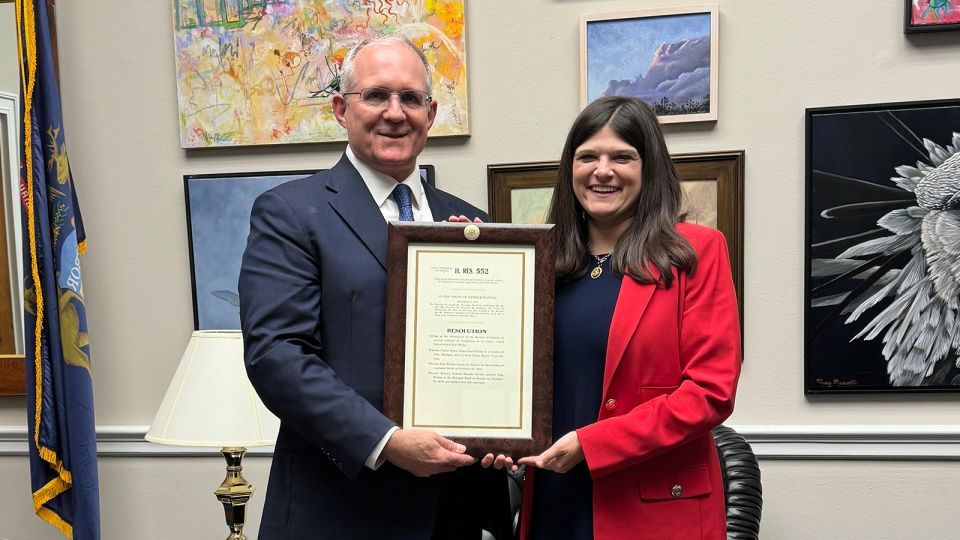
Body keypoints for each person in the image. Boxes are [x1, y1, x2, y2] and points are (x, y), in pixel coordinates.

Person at [239, 34, 511, 540]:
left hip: (455, 509)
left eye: (411, 98)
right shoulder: (292, 213)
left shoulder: (471, 221)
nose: (395, 112)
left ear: (430, 115)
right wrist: (385, 441)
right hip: (342, 509)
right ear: (342, 109)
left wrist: (503, 428)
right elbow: (276, 355)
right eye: (376, 95)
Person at [517, 96, 742, 540]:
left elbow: (710, 392)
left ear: (649, 168)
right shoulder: (543, 262)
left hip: (651, 505)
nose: (603, 171)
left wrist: (592, 444)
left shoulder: (696, 250)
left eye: (622, 156)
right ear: (570, 169)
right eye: (587, 157)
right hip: (553, 492)